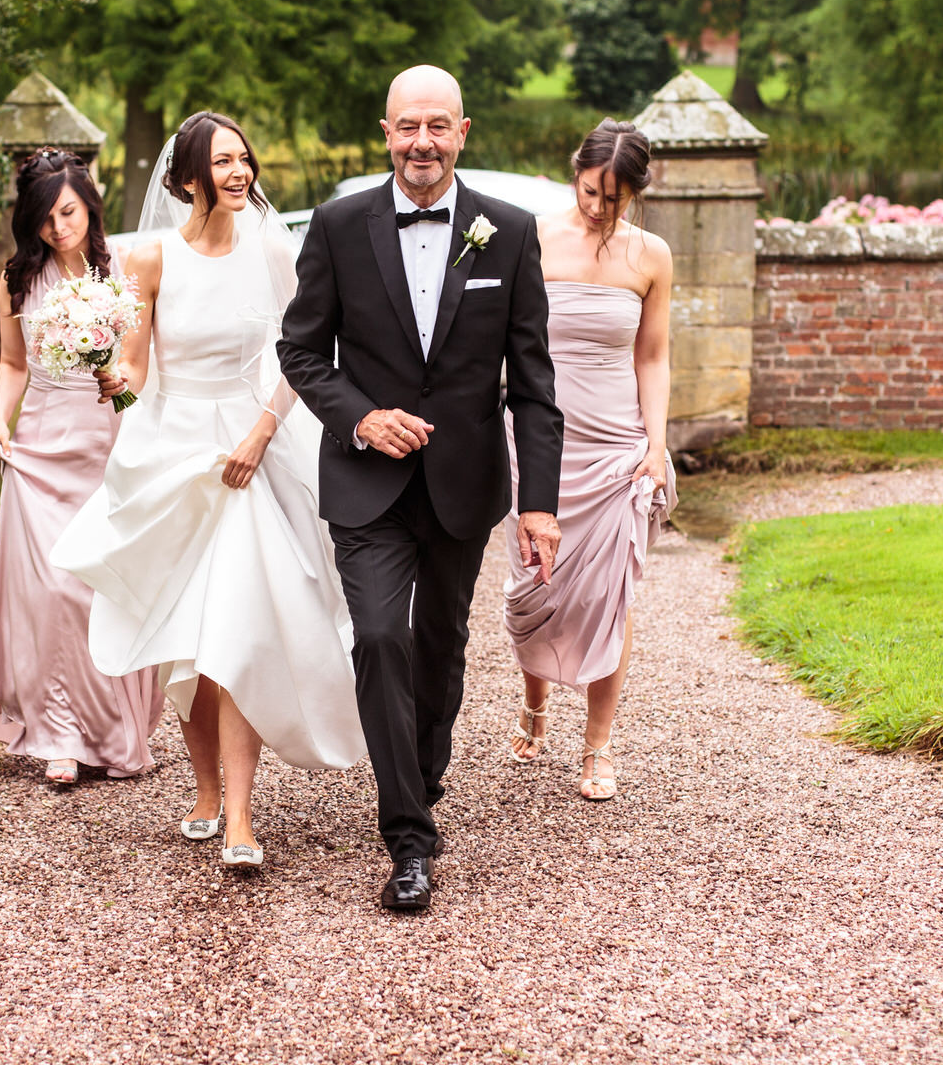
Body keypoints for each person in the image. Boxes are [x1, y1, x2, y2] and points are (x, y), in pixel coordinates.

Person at [278, 65, 564, 912]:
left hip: (462, 484)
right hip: (367, 482)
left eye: (437, 126)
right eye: (408, 127)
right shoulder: (336, 226)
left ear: (462, 133)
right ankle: (407, 838)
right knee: (378, 636)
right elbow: (300, 353)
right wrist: (361, 418)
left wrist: (538, 502)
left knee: (440, 645)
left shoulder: (507, 233)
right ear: (385, 131)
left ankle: (421, 778)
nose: (422, 142)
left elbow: (533, 383)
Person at [53, 112, 364, 869]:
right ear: (188, 176)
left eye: (244, 159)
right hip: (173, 455)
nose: (239, 173)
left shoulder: (271, 247)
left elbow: (301, 352)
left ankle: (242, 820)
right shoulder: (151, 258)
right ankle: (205, 790)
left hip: (250, 447)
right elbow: (137, 375)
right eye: (222, 161)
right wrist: (108, 375)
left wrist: (260, 433)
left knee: (238, 630)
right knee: (188, 641)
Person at [503, 119, 676, 802]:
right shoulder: (533, 239)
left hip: (615, 446)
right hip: (539, 440)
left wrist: (655, 445)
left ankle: (598, 745)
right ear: (573, 174)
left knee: (610, 597)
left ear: (634, 192)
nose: (599, 207)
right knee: (534, 589)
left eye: (615, 197)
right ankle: (535, 705)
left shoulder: (652, 256)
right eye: (589, 191)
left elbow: (653, 356)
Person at [0, 149, 164, 785]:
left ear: (88, 205)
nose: (59, 228)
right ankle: (58, 733)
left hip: (106, 446)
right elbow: (12, 364)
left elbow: (140, 371)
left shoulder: (122, 275)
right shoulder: (17, 282)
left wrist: (120, 378)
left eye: (67, 212)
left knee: (100, 589)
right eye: (45, 218)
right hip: (39, 448)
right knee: (52, 594)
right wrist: (1, 420)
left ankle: (115, 734)